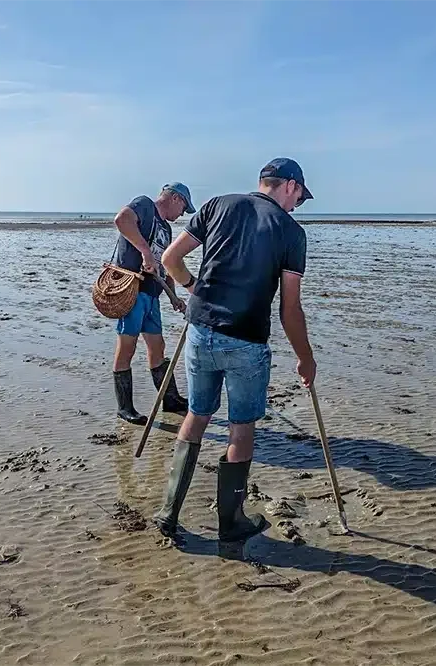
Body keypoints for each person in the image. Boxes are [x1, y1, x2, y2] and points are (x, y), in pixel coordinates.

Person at [153, 158, 317, 542]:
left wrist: (193, 286)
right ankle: (232, 522)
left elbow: (169, 259)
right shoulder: (292, 232)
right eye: (300, 198)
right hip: (246, 339)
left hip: (201, 330)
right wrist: (305, 358)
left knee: (197, 415)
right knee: (241, 428)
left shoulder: (217, 204)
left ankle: (168, 511)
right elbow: (290, 308)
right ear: (290, 185)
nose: (298, 206)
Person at [111, 182, 196, 425]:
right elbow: (122, 220)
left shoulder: (166, 230)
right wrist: (145, 252)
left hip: (153, 294)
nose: (182, 215)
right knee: (127, 346)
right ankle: (124, 407)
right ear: (176, 199)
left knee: (157, 347)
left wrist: (173, 295)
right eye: (184, 208)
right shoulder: (144, 205)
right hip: (132, 290)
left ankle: (170, 399)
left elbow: (166, 265)